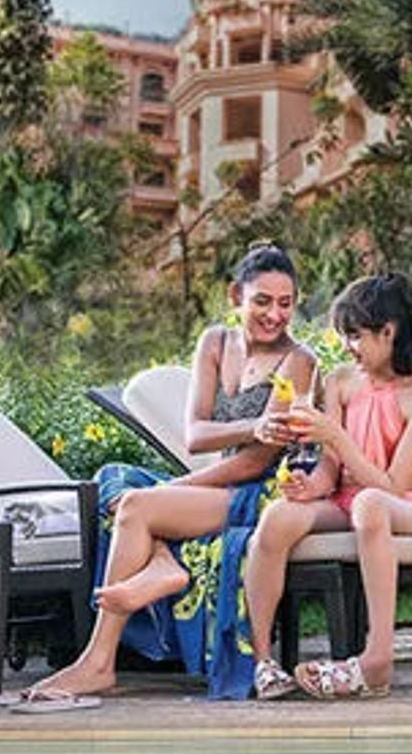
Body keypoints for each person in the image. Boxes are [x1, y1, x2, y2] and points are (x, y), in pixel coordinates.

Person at [31, 243, 316, 702]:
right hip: (220, 484)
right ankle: (160, 560)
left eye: (286, 303)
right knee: (115, 476)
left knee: (138, 506)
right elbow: (195, 435)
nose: (275, 315)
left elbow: (255, 462)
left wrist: (173, 488)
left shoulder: (299, 362)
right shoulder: (214, 343)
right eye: (262, 301)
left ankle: (98, 662)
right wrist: (252, 425)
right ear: (235, 296)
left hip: (259, 495)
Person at [245, 273, 412, 700]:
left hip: (399, 506)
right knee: (278, 517)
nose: (348, 346)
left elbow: (394, 485)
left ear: (388, 331)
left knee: (370, 502)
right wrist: (309, 485)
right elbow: (332, 470)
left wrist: (335, 436)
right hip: (344, 498)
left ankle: (376, 659)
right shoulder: (340, 381)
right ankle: (261, 662)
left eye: (356, 336)